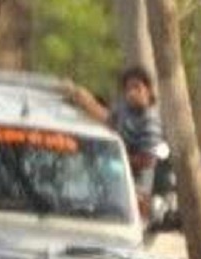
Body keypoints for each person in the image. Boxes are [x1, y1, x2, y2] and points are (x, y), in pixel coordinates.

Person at [64, 65, 166, 206]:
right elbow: (107, 118)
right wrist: (84, 99)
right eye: (128, 89)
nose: (132, 93)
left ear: (148, 90)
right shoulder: (125, 109)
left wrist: (117, 158)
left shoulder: (150, 120)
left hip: (135, 188)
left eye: (137, 88)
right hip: (111, 182)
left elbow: (148, 160)